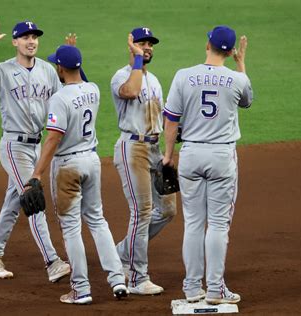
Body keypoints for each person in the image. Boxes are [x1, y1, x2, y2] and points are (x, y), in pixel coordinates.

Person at [0, 18, 70, 281]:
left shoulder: (48, 71)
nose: (31, 41)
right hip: (14, 146)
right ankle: (52, 262)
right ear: (15, 41)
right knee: (32, 198)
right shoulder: (3, 70)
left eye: (34, 37)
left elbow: (62, 100)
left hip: (38, 146)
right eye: (25, 37)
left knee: (13, 204)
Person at [29, 45, 128, 304]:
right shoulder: (92, 90)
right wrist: (73, 56)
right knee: (97, 220)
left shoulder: (58, 99)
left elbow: (52, 138)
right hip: (92, 161)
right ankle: (117, 278)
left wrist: (37, 173)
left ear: (60, 68)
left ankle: (81, 289)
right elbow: (77, 75)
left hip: (67, 168)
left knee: (71, 227)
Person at [162, 25, 253, 305]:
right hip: (221, 157)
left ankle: (191, 287)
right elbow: (247, 101)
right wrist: (241, 65)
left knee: (193, 224)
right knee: (217, 225)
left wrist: (167, 155)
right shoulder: (237, 80)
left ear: (207, 45)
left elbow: (171, 119)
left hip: (190, 153)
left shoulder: (183, 76)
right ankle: (215, 289)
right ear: (230, 51)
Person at [110, 27, 177, 295]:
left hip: (154, 149)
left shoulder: (156, 81)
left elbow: (162, 117)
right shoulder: (121, 76)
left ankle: (121, 252)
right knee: (142, 212)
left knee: (168, 210)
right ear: (131, 46)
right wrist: (137, 60)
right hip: (132, 149)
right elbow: (130, 91)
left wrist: (168, 151)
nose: (147, 47)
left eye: (150, 44)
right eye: (142, 43)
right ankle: (138, 278)